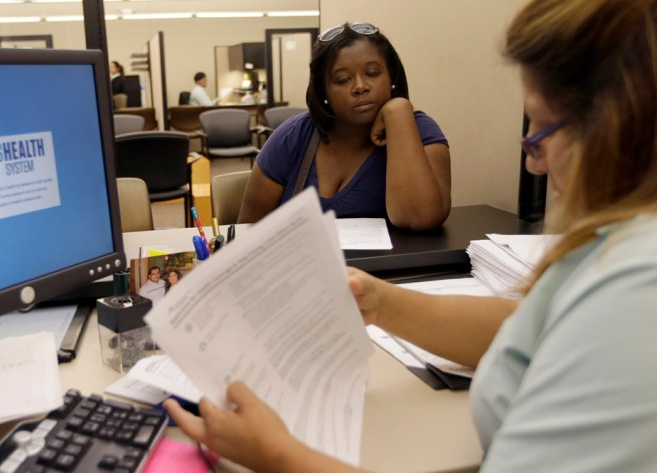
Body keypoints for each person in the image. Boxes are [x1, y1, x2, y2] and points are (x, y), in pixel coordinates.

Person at [165, 1, 657, 471]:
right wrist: (380, 301)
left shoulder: (635, 292)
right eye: (342, 79)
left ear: (623, 126)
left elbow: (424, 213)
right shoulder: (607, 249)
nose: (531, 161)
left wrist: (276, 456)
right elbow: (527, 324)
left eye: (542, 131)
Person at [237, 23, 451, 230]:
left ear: (391, 76)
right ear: (324, 92)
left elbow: (421, 218)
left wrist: (398, 111)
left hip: (387, 266)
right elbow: (247, 233)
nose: (360, 86)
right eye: (342, 80)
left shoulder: (419, 130)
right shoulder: (293, 135)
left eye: (372, 73)